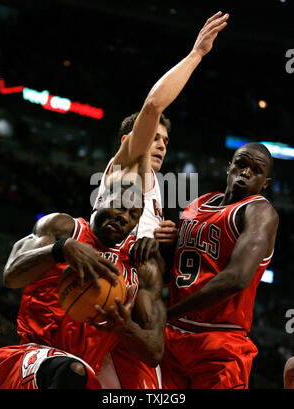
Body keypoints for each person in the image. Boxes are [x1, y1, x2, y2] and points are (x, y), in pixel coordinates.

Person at [94, 11, 230, 388]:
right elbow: (153, 106)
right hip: (112, 290)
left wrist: (160, 237)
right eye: (155, 138)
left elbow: (145, 236)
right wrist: (196, 55)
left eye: (166, 143)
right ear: (130, 141)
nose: (161, 146)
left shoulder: (152, 188)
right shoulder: (127, 165)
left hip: (141, 297)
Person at [0, 181, 166, 389]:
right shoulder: (63, 228)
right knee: (71, 372)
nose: (124, 217)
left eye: (133, 215)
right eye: (120, 206)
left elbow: (154, 352)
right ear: (100, 200)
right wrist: (60, 249)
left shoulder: (141, 266)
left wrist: (125, 327)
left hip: (87, 373)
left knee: (77, 373)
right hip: (33, 357)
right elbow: (11, 276)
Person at [160, 142, 279, 389]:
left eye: (256, 170)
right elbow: (176, 268)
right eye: (241, 164)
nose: (246, 172)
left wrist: (167, 314)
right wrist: (164, 242)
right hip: (171, 338)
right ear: (229, 168)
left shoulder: (260, 212)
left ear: (265, 183)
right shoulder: (197, 204)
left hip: (219, 341)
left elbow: (237, 278)